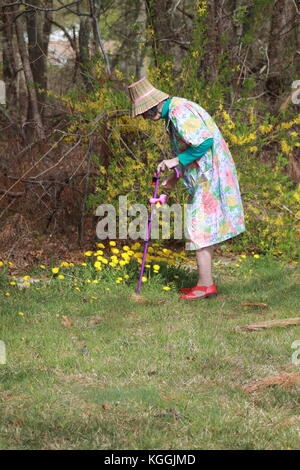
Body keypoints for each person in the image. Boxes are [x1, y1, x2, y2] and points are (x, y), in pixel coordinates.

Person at [128, 77, 245, 300]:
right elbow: (193, 149)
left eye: (143, 113)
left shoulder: (179, 112)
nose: (145, 118)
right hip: (207, 175)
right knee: (202, 228)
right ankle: (204, 283)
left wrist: (174, 161)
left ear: (153, 106)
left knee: (198, 227)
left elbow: (204, 143)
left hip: (212, 176)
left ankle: (205, 286)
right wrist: (174, 176)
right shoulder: (175, 112)